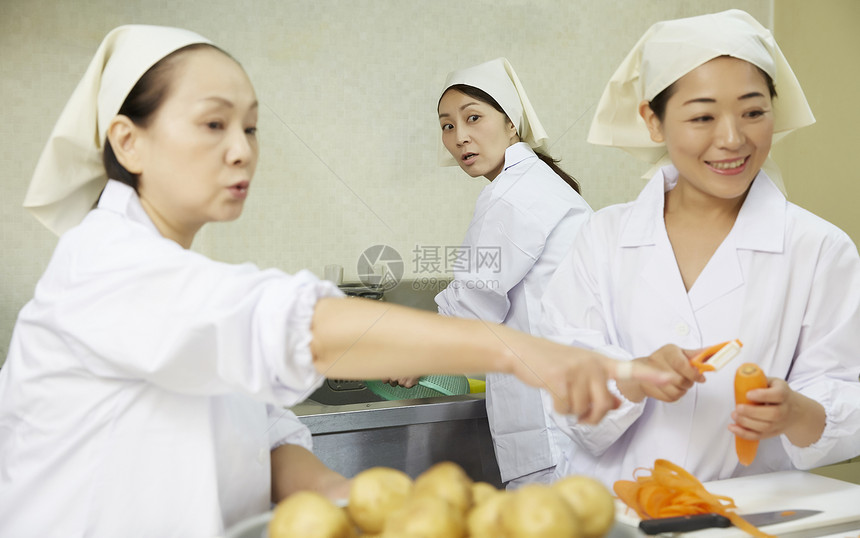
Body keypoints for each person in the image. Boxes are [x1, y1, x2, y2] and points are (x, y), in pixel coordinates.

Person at [0, 25, 665, 537]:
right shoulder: (104, 267)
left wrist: (366, 508)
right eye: (213, 123)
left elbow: (267, 440)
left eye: (251, 126)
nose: (242, 148)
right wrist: (523, 351)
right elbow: (300, 326)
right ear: (128, 141)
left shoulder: (187, 286)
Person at [539, 9, 860, 488]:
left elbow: (845, 399)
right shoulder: (602, 239)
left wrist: (795, 412)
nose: (732, 139)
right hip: (613, 514)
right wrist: (632, 377)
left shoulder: (819, 249)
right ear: (653, 120)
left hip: (750, 517)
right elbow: (562, 393)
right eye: (702, 116)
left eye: (754, 111)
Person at [432, 58, 592, 489]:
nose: (460, 136)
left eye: (473, 118)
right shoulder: (534, 183)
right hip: (571, 412)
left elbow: (471, 306)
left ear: (511, 124)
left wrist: (413, 352)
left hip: (552, 425)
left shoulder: (514, 194)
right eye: (447, 126)